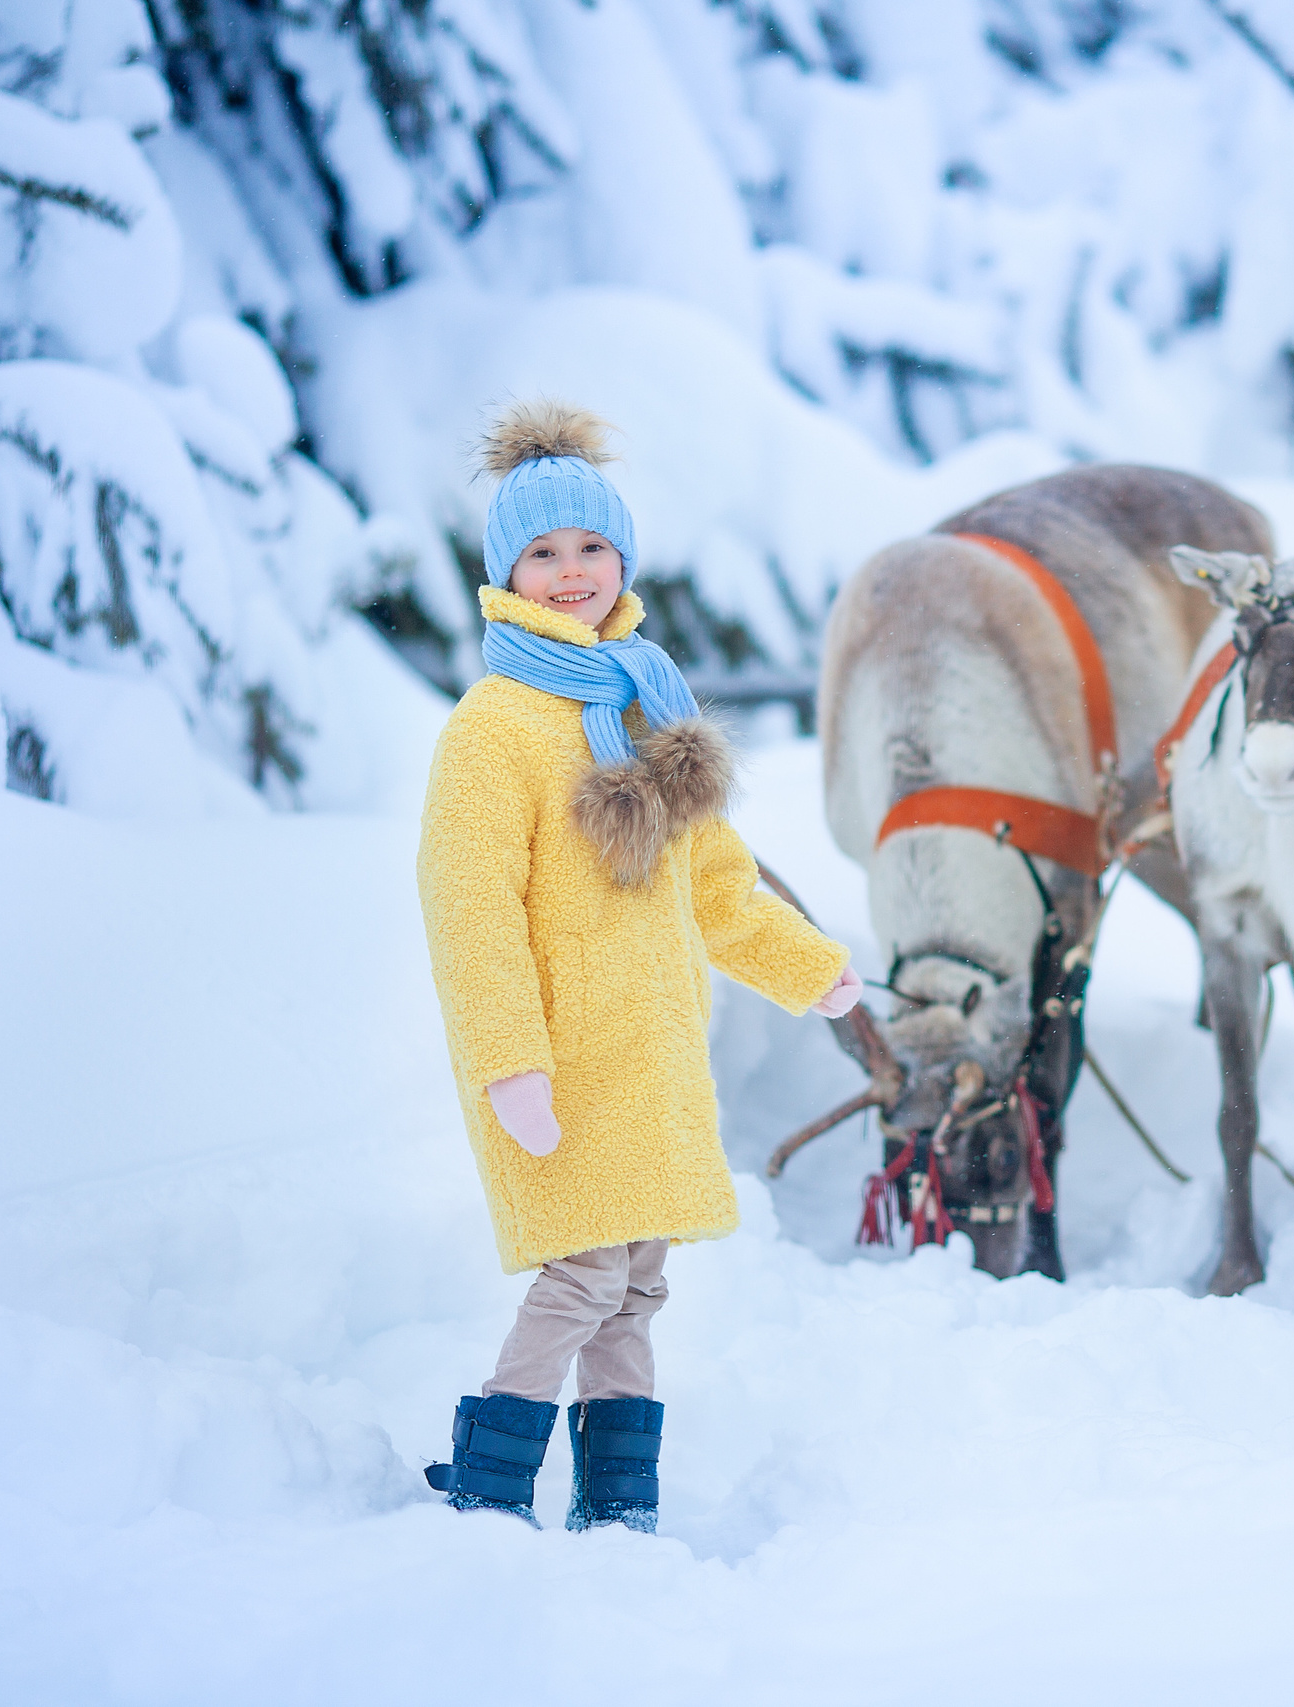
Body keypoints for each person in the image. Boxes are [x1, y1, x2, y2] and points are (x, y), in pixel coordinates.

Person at [415, 399, 861, 1531]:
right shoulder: (495, 725)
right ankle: (490, 1479)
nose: (572, 572)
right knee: (582, 1277)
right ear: (506, 574)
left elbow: (715, 884)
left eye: (591, 548)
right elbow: (469, 909)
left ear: (624, 557)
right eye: (543, 552)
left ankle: (618, 1501)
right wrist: (507, 1059)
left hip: (651, 1058)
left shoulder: (647, 703)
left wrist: (808, 968)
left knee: (637, 1286)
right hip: (558, 1063)